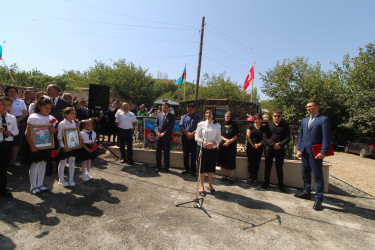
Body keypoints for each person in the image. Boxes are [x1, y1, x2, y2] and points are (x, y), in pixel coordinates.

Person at [295, 100, 331, 211]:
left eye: (310, 106)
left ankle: (318, 199)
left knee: (317, 175)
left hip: (316, 152)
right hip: (304, 151)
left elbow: (326, 137)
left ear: (317, 107)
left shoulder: (324, 120)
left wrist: (323, 151)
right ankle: (306, 192)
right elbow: (300, 135)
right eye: (307, 107)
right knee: (305, 172)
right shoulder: (305, 120)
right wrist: (299, 148)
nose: (308, 108)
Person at [25, 97, 57, 195]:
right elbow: (27, 132)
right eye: (46, 108)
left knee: (43, 164)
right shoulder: (33, 116)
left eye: (50, 108)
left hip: (46, 145)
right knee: (34, 164)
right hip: (36, 145)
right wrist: (32, 145)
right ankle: (33, 186)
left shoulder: (51, 118)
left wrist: (53, 130)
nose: (48, 110)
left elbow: (54, 131)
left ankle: (40, 184)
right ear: (39, 107)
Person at [195, 108, 221, 196]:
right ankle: (201, 186)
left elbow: (219, 138)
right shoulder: (201, 124)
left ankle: (210, 185)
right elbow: (197, 136)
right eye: (206, 112)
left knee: (211, 168)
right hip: (202, 148)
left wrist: (212, 144)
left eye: (210, 112)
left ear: (213, 115)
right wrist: (203, 142)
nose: (208, 114)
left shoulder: (217, 125)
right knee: (201, 167)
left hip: (212, 149)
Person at [262, 109, 290, 192]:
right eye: (275, 116)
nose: (276, 117)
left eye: (278, 116)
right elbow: (265, 137)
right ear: (272, 116)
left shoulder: (285, 126)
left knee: (279, 167)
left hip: (280, 149)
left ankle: (281, 184)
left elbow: (288, 138)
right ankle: (266, 183)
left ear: (281, 116)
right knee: (267, 167)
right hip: (269, 149)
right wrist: (273, 144)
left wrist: (280, 145)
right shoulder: (268, 125)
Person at [0, 96, 19, 198]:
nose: (5, 107)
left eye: (8, 105)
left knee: (3, 168)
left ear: (11, 106)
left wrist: (10, 132)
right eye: (3, 104)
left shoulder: (12, 117)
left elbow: (16, 131)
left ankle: (2, 189)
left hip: (6, 144)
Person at [57, 107, 80, 187]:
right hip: (65, 145)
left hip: (73, 144)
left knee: (72, 161)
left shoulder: (74, 123)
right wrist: (63, 146)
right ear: (66, 115)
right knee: (63, 161)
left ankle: (71, 179)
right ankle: (61, 179)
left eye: (75, 113)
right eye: (72, 113)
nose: (74, 115)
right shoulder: (62, 124)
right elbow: (59, 137)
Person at [5, 86, 28, 167]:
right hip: (7, 121)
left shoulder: (21, 101)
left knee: (17, 142)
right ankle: (5, 160)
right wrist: (14, 121)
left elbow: (25, 113)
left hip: (20, 121)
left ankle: (14, 160)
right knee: (7, 141)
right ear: (7, 92)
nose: (13, 93)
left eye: (14, 91)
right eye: (11, 91)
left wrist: (17, 120)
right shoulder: (4, 101)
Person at [179, 103, 202, 176]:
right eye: (188, 110)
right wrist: (187, 134)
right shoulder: (184, 117)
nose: (189, 111)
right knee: (185, 154)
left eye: (190, 110)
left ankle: (193, 170)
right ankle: (186, 169)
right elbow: (181, 126)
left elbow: (199, 127)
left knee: (193, 154)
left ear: (194, 109)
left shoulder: (198, 117)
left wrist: (192, 134)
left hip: (194, 138)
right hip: (185, 138)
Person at [218, 111, 239, 183]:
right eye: (225, 117)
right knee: (224, 159)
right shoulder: (222, 125)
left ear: (231, 117)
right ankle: (224, 175)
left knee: (231, 160)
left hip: (232, 145)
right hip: (223, 145)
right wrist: (226, 140)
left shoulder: (235, 125)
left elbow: (236, 136)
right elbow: (220, 135)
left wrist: (229, 141)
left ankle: (231, 176)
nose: (226, 118)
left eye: (228, 116)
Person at [155, 102, 175, 173]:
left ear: (169, 108)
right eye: (163, 107)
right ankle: (158, 167)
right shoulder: (159, 115)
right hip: (159, 137)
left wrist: (164, 133)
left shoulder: (172, 116)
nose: (164, 109)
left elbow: (171, 127)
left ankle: (166, 168)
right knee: (158, 153)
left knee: (166, 153)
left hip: (166, 137)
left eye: (166, 108)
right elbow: (156, 125)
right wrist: (157, 132)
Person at [246, 113, 265, 186]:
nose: (257, 120)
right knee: (250, 163)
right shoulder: (251, 126)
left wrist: (259, 144)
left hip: (259, 147)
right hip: (251, 146)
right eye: (255, 119)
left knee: (257, 163)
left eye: (258, 119)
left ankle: (255, 178)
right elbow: (248, 137)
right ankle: (250, 177)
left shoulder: (263, 128)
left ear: (261, 120)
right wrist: (253, 145)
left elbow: (264, 138)